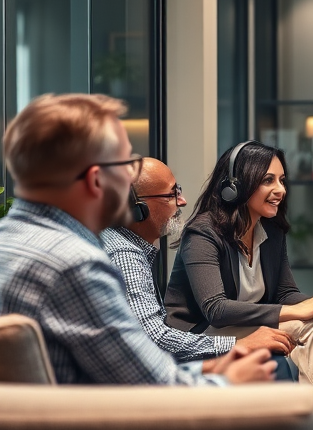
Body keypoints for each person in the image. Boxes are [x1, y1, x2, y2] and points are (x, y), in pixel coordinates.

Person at [0, 93, 275, 387]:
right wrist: (228, 379)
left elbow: (133, 370)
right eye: (127, 162)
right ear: (97, 180)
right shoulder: (75, 265)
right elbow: (149, 388)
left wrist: (206, 370)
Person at [164, 141, 313, 430]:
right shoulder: (202, 233)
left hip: (249, 326)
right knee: (306, 322)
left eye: (282, 181)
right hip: (205, 337)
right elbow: (215, 309)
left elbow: (285, 292)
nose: (280, 190)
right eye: (268, 181)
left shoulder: (270, 230)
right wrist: (297, 312)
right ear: (235, 186)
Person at [102, 157, 296, 366]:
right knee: (275, 365)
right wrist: (238, 344)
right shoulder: (125, 255)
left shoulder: (124, 246)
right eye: (171, 194)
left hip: (152, 368)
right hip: (140, 382)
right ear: (137, 208)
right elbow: (155, 340)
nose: (182, 201)